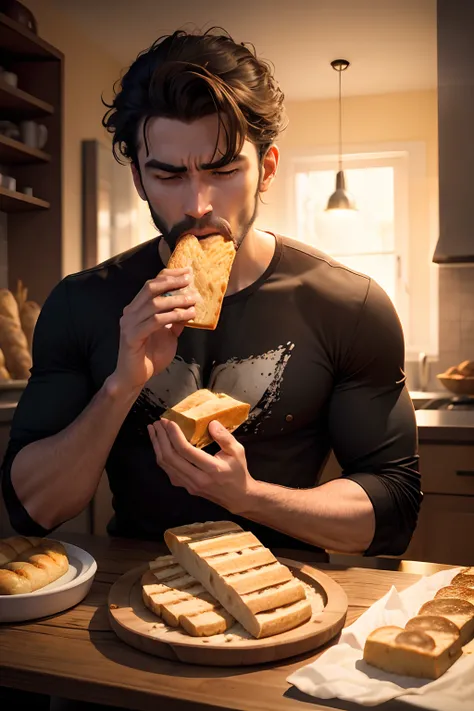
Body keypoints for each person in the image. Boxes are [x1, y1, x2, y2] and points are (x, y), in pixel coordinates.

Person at [1, 28, 421, 562]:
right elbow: (32, 509)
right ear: (138, 178)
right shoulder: (80, 304)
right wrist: (120, 386)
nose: (198, 204)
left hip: (292, 600)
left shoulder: (348, 305)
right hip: (126, 598)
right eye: (169, 175)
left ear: (266, 169)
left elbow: (394, 513)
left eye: (224, 171)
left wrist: (248, 497)